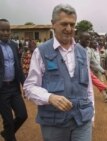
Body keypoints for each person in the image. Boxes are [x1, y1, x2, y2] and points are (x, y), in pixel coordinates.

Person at [23, 4, 94, 141]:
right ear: (53, 24)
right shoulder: (41, 52)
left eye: (72, 25)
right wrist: (49, 97)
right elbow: (29, 87)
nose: (69, 29)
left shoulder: (83, 52)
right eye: (64, 24)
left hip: (82, 120)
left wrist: (92, 115)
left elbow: (88, 88)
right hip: (54, 122)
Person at [0, 18, 28, 141]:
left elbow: (18, 67)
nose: (6, 33)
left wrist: (25, 85)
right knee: (9, 122)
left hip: (14, 87)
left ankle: (7, 134)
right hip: (1, 90)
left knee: (22, 115)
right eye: (2, 30)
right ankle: (9, 135)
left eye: (8, 30)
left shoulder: (13, 45)